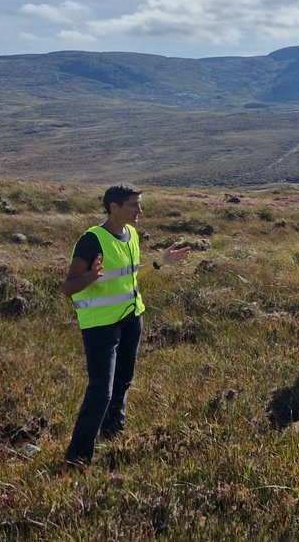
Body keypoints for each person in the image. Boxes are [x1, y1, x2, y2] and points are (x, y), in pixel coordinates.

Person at [61, 184, 190, 465]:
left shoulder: (131, 234)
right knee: (101, 392)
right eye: (134, 205)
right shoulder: (91, 240)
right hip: (101, 326)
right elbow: (68, 287)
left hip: (132, 319)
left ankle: (113, 435)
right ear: (114, 207)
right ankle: (78, 458)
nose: (140, 210)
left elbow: (128, 277)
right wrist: (89, 278)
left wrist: (159, 263)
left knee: (123, 381)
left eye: (140, 204)